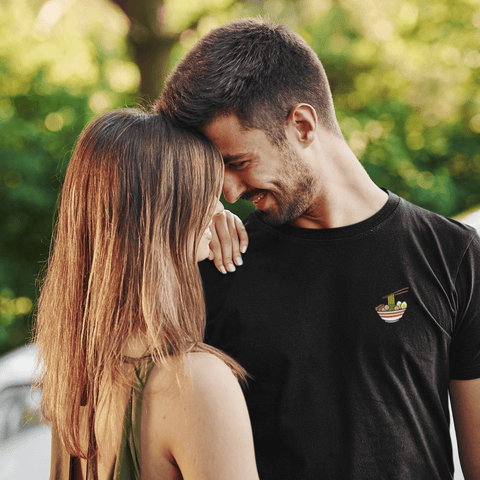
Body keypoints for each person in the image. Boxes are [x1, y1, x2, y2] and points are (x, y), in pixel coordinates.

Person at [155, 17, 480, 479]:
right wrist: (179, 237)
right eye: (215, 174)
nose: (228, 193)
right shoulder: (219, 266)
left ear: (303, 125)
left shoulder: (453, 254)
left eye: (238, 163)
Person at [34, 109, 259, 479]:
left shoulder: (77, 377)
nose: (220, 208)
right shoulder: (194, 384)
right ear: (165, 217)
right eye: (204, 193)